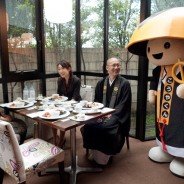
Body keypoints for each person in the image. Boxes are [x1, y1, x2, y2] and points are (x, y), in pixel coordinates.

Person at [81, 57, 132, 165]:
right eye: (114, 65)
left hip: (118, 115)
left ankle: (106, 154)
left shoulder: (124, 84)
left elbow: (124, 105)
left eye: (118, 65)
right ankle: (94, 150)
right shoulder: (101, 82)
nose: (116, 67)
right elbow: (97, 101)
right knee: (88, 125)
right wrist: (98, 110)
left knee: (105, 127)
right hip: (101, 113)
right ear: (107, 68)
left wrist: (110, 114)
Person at [55, 60, 82, 147]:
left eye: (63, 68)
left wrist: (65, 104)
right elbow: (59, 95)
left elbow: (75, 97)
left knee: (62, 118)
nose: (61, 71)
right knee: (53, 117)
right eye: (59, 69)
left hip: (75, 105)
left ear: (69, 69)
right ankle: (56, 138)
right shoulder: (59, 80)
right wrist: (56, 99)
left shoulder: (76, 80)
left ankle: (61, 139)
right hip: (64, 104)